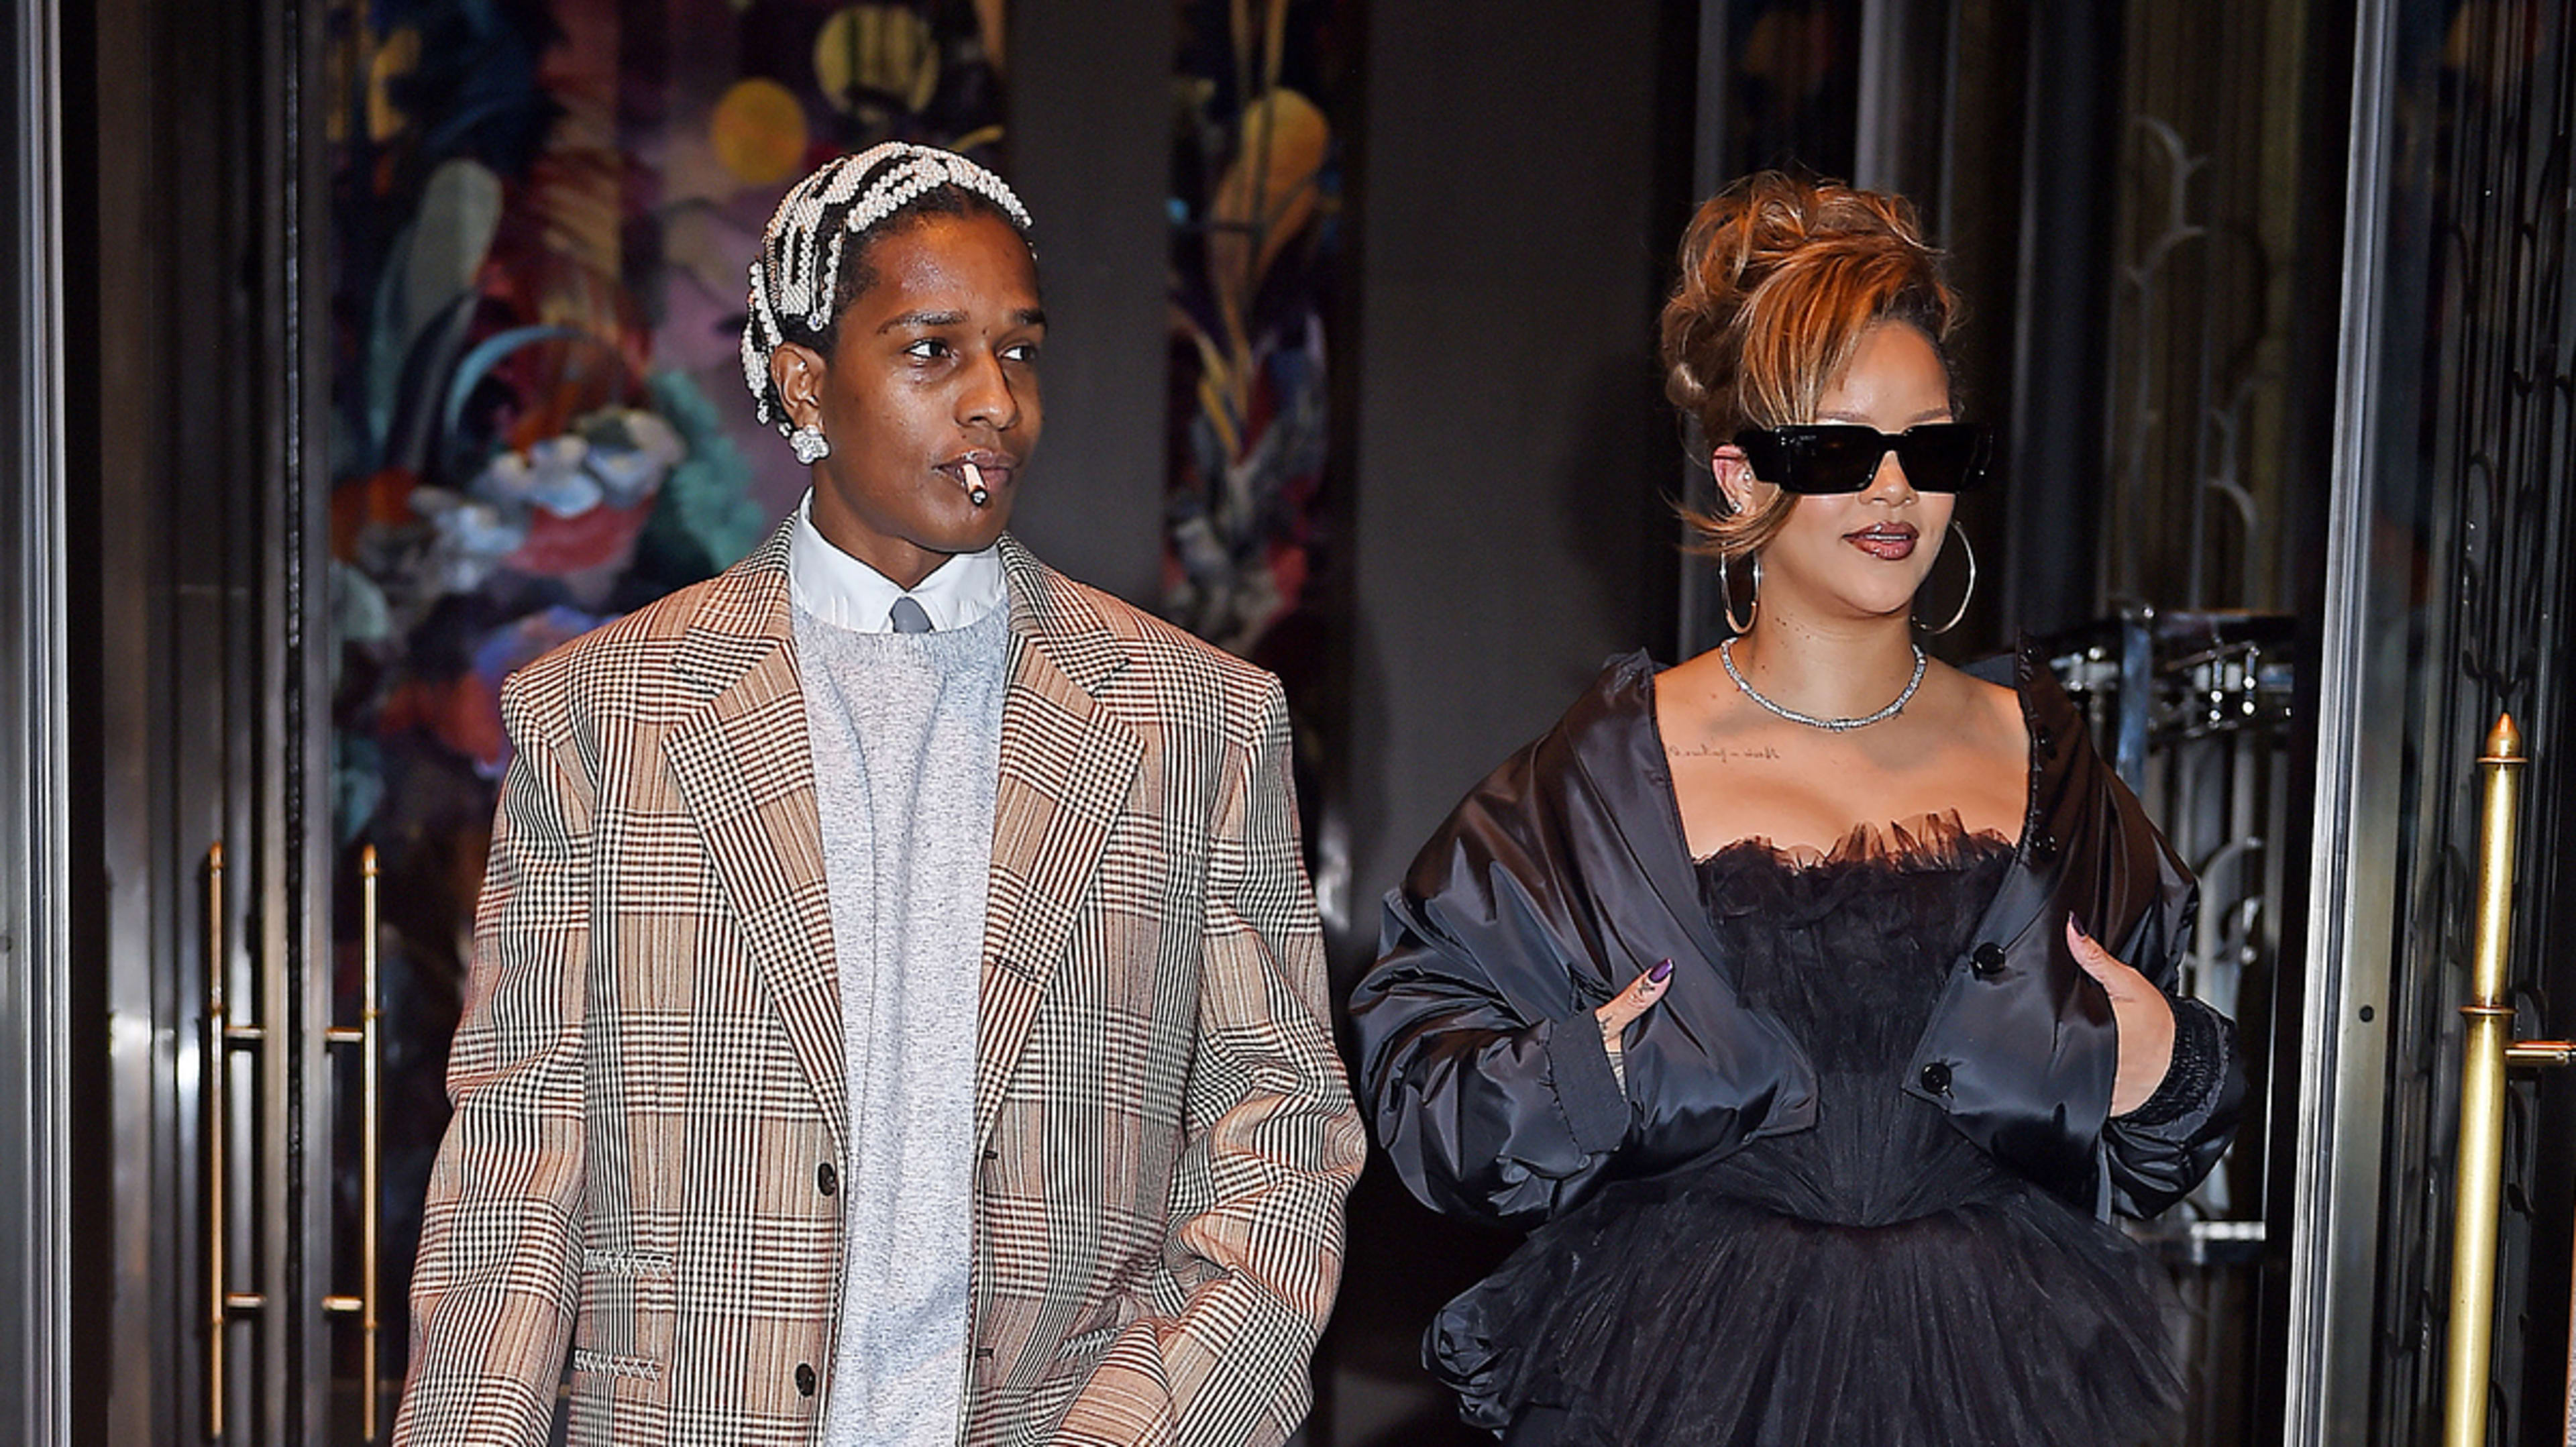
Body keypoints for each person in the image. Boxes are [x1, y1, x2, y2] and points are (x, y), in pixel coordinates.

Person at [394, 142, 1364, 1447]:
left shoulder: (1190, 718)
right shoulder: (606, 716)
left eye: (1018, 352)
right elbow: (520, 1160)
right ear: (805, 383)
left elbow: (1283, 1131)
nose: (995, 404)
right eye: (931, 350)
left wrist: (1144, 1420)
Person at [1348, 172, 2244, 1446]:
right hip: (1676, 1379)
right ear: (1737, 474)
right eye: (1838, 449)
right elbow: (1423, 1088)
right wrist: (1587, 1079)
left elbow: (2160, 1121)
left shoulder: (2051, 763)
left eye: (1930, 447)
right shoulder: (1605, 779)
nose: (1893, 491)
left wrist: (2169, 1068)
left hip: (2012, 1378)